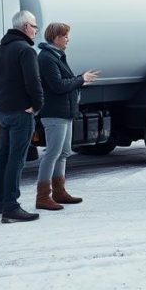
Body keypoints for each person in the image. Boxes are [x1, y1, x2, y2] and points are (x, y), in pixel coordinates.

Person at [0, 9, 44, 223]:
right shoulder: (25, 51)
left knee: (3, 157)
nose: (36, 31)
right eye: (34, 26)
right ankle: (11, 207)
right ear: (26, 27)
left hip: (2, 111)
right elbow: (33, 82)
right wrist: (36, 106)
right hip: (20, 112)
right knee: (16, 160)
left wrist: (3, 92)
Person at [35, 22, 99, 211]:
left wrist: (79, 80)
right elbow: (58, 85)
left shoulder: (57, 56)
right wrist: (81, 79)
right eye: (65, 36)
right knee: (52, 154)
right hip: (55, 113)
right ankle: (42, 196)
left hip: (65, 112)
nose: (68, 39)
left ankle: (59, 192)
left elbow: (64, 82)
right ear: (55, 38)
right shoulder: (47, 58)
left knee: (63, 153)